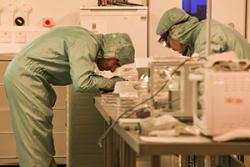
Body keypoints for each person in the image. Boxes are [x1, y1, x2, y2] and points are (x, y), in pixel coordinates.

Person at [3, 26, 135, 167]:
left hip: (26, 76)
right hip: (25, 76)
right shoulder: (86, 42)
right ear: (111, 51)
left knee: (40, 135)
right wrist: (112, 83)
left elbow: (83, 77)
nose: (113, 69)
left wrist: (106, 82)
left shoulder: (86, 39)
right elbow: (82, 82)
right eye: (116, 63)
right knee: (34, 138)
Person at [156, 7, 250, 59]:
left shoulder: (207, 35)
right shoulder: (201, 31)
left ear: (175, 32)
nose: (168, 47)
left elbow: (203, 76)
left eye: (166, 41)